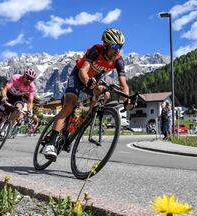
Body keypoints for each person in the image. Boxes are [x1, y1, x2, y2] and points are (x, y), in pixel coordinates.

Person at [43, 28, 133, 157]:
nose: (117, 50)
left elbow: (124, 84)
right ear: (106, 45)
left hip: (94, 80)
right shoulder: (96, 50)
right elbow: (83, 71)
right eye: (114, 46)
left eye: (120, 46)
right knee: (69, 105)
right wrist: (88, 82)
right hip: (79, 77)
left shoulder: (118, 60)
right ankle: (51, 143)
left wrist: (127, 100)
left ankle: (79, 127)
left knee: (105, 95)